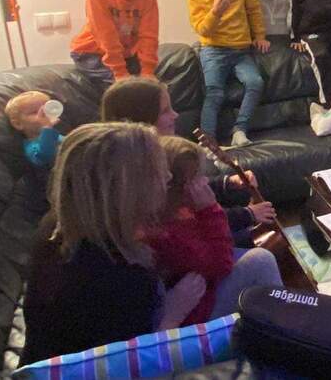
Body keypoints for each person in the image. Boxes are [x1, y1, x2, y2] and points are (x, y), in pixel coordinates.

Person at [21, 123, 206, 364]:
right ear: (129, 188)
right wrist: (174, 311)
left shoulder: (57, 225)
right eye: (159, 171)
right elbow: (131, 365)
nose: (169, 176)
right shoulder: (120, 279)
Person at [99, 77, 276, 237]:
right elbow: (193, 221)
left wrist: (228, 182)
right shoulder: (148, 174)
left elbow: (192, 190)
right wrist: (247, 214)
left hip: (204, 236)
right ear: (142, 120)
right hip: (193, 246)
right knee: (263, 252)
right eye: (165, 111)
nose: (175, 115)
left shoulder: (157, 154)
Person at [149, 136, 282, 325]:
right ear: (181, 186)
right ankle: (279, 328)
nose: (205, 181)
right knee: (262, 260)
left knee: (252, 247)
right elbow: (222, 264)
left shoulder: (173, 208)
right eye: (198, 177)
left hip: (203, 282)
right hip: (196, 312)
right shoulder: (171, 233)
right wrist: (209, 209)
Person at [188, 0, 270, 147]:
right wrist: (215, 12)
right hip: (213, 50)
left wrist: (260, 36)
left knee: (255, 82)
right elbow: (202, 30)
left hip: (241, 51)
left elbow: (254, 9)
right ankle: (208, 140)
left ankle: (239, 130)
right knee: (214, 93)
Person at [4, 91, 63, 168]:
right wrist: (47, 128)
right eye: (34, 112)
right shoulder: (31, 147)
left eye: (46, 109)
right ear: (18, 124)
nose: (43, 114)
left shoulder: (57, 136)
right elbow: (45, 156)